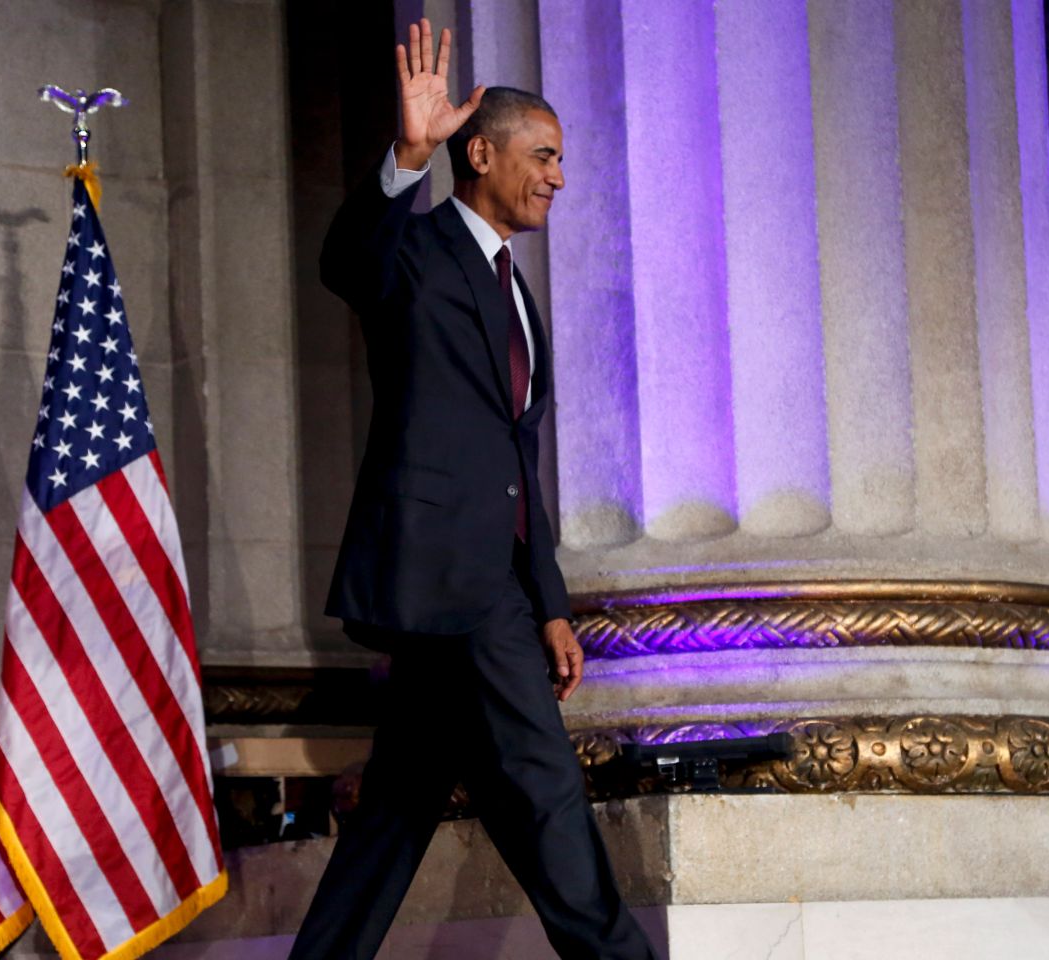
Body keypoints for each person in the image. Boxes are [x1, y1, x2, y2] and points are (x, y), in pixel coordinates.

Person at [289, 19, 659, 960]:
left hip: (485, 590)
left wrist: (552, 605)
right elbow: (347, 264)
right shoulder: (413, 254)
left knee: (395, 816)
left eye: (562, 161)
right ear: (481, 153)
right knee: (544, 784)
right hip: (437, 577)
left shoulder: (516, 291)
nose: (558, 178)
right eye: (543, 156)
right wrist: (407, 156)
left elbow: (514, 463)